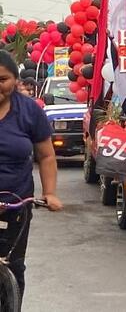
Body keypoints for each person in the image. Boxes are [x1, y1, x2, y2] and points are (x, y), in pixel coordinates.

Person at [0, 50, 63, 299]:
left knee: (14, 266)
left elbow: (46, 156)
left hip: (17, 203)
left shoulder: (29, 111)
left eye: (2, 80)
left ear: (16, 80)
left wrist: (50, 193)